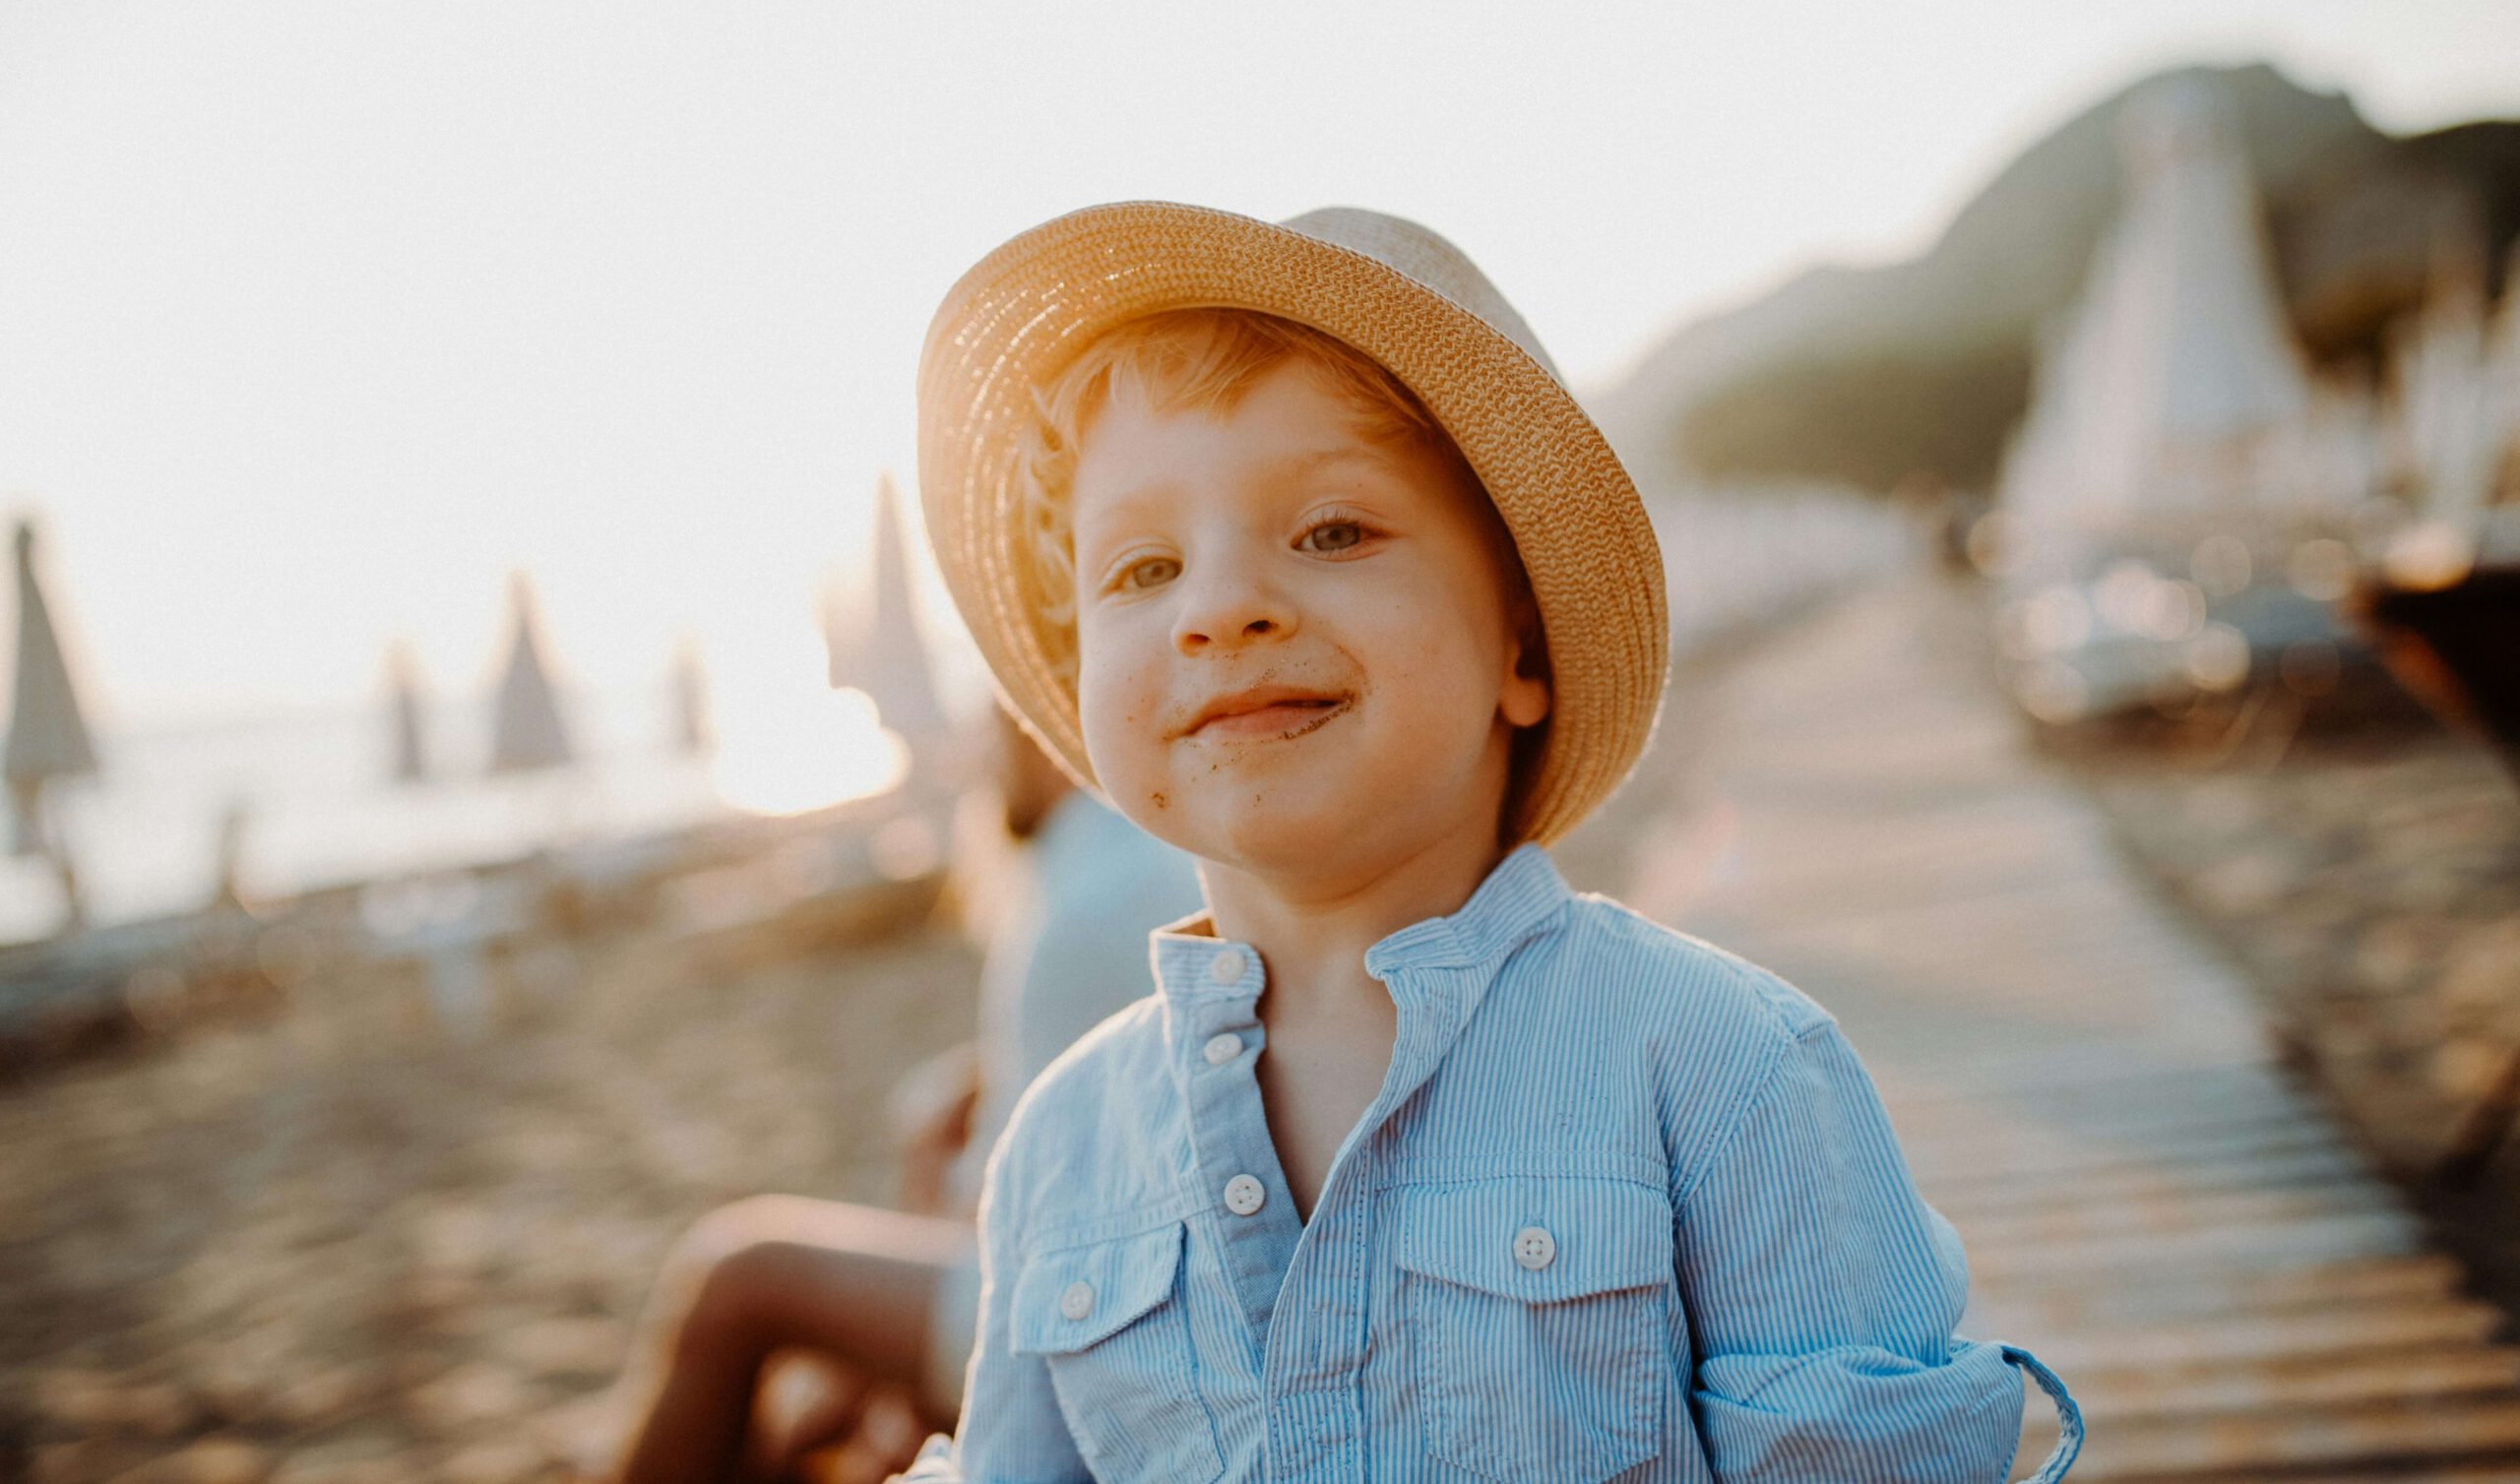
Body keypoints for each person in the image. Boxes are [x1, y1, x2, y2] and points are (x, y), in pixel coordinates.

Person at [895, 204, 2084, 1482]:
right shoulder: (1062, 1150)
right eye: (1140, 567)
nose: (1219, 605)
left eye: (1332, 530)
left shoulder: (1722, 1066)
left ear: (1519, 646)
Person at [594, 711, 1201, 1484]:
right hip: (1093, 1278)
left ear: (1045, 730)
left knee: (739, 1272)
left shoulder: (1082, 908)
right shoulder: (1128, 859)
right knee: (798, 1384)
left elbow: (1030, 1205)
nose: (979, 755)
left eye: (995, 728)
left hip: (1066, 1309)